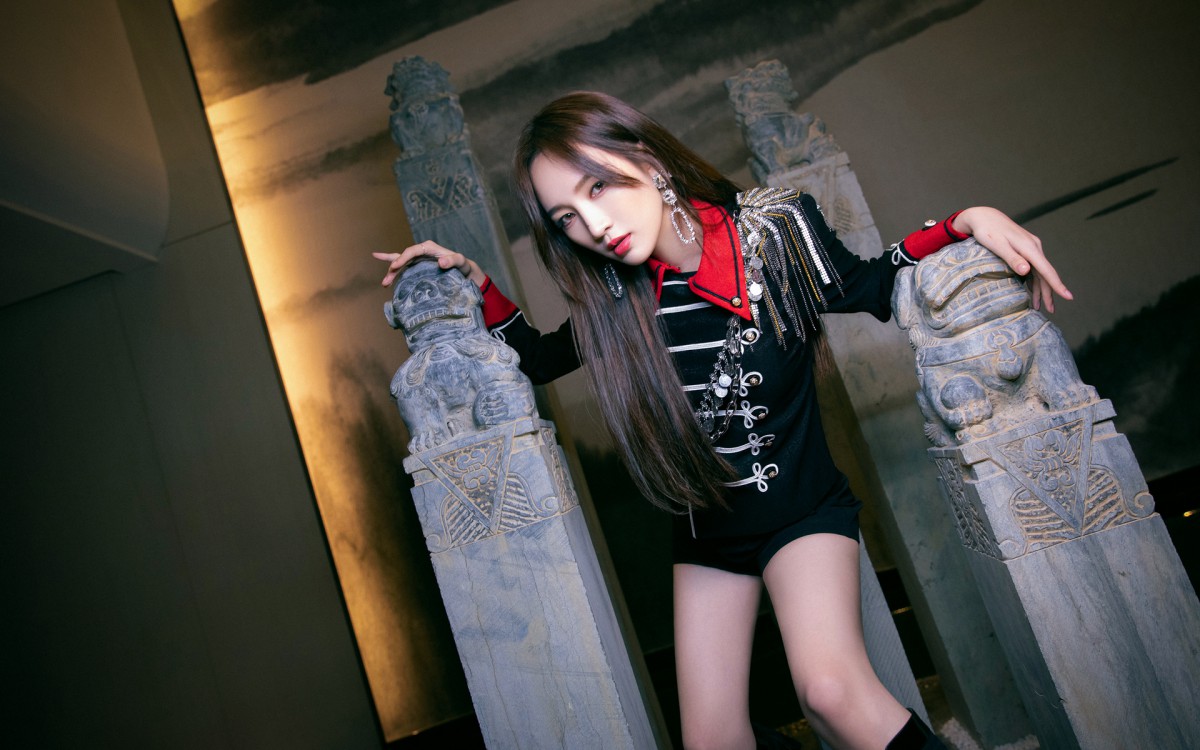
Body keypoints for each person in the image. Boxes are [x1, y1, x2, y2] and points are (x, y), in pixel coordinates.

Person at [375, 92, 1070, 750]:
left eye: (598, 187)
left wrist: (966, 220)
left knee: (830, 693)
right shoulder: (613, 299)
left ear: (648, 161)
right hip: (707, 529)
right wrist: (475, 282)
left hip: (801, 509)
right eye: (566, 219)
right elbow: (539, 358)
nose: (594, 225)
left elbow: (872, 283)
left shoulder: (774, 230)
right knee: (710, 742)